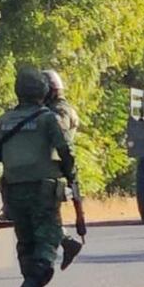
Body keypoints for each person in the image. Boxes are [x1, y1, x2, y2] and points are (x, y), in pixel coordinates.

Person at [0, 68, 79, 287]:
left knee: (25, 242)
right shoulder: (48, 119)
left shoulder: (3, 122)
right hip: (44, 190)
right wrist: (72, 177)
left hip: (13, 190)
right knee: (50, 240)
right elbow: (66, 151)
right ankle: (32, 285)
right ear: (42, 91)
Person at [43, 69, 82, 270]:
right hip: (49, 170)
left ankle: (45, 262)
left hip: (53, 172)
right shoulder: (52, 110)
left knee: (43, 219)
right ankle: (66, 242)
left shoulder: (60, 111)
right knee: (47, 218)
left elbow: (62, 142)